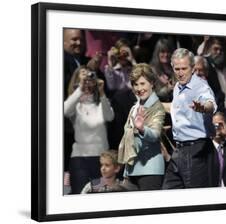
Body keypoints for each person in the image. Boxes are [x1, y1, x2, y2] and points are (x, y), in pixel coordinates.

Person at [162, 48, 217, 189]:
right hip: (179, 150)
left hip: (196, 150)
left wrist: (204, 107)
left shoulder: (200, 86)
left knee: (195, 200)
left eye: (184, 68)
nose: (180, 73)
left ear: (192, 68)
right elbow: (176, 107)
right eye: (177, 69)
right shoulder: (177, 86)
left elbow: (210, 104)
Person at [64, 69, 114, 194]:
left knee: (99, 196)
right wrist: (80, 87)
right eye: (84, 79)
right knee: (80, 196)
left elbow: (109, 116)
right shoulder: (75, 104)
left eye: (90, 80)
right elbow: (65, 111)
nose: (87, 83)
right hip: (80, 158)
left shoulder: (101, 102)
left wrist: (102, 93)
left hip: (101, 158)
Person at [118, 63, 166, 191]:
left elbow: (155, 134)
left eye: (142, 83)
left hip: (150, 169)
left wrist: (142, 129)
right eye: (136, 84)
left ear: (152, 83)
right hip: (131, 170)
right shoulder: (135, 107)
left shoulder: (157, 107)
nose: (139, 88)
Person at [63, 29, 90, 189]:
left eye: (80, 39)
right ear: (64, 42)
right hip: (68, 126)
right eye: (74, 40)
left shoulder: (84, 60)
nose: (78, 43)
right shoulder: (59, 61)